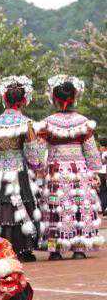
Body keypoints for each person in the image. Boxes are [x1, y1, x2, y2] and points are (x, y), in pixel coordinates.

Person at [34, 75, 103, 259]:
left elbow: (39, 154)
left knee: (54, 210)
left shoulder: (47, 123)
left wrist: (38, 168)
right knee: (78, 207)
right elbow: (91, 152)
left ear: (54, 99)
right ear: (74, 98)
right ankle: (79, 249)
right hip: (78, 172)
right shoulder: (83, 122)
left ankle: (54, 250)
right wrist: (95, 172)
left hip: (55, 172)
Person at [0, 76, 42, 262]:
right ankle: (22, 248)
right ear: (23, 100)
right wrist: (38, 165)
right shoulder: (26, 123)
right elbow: (34, 157)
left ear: (4, 98)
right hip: (19, 171)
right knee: (21, 204)